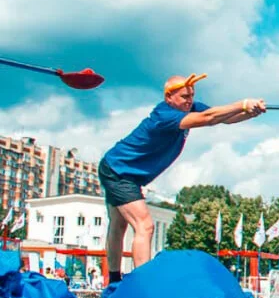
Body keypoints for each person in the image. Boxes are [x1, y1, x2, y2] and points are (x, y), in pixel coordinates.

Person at [99, 74, 266, 282]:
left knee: (119, 224)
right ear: (169, 98)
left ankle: (113, 281)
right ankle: (144, 283)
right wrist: (242, 103)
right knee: (145, 225)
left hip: (127, 173)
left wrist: (249, 112)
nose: (189, 101)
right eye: (184, 96)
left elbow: (224, 118)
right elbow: (209, 118)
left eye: (192, 96)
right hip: (118, 171)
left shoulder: (189, 107)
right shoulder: (165, 115)